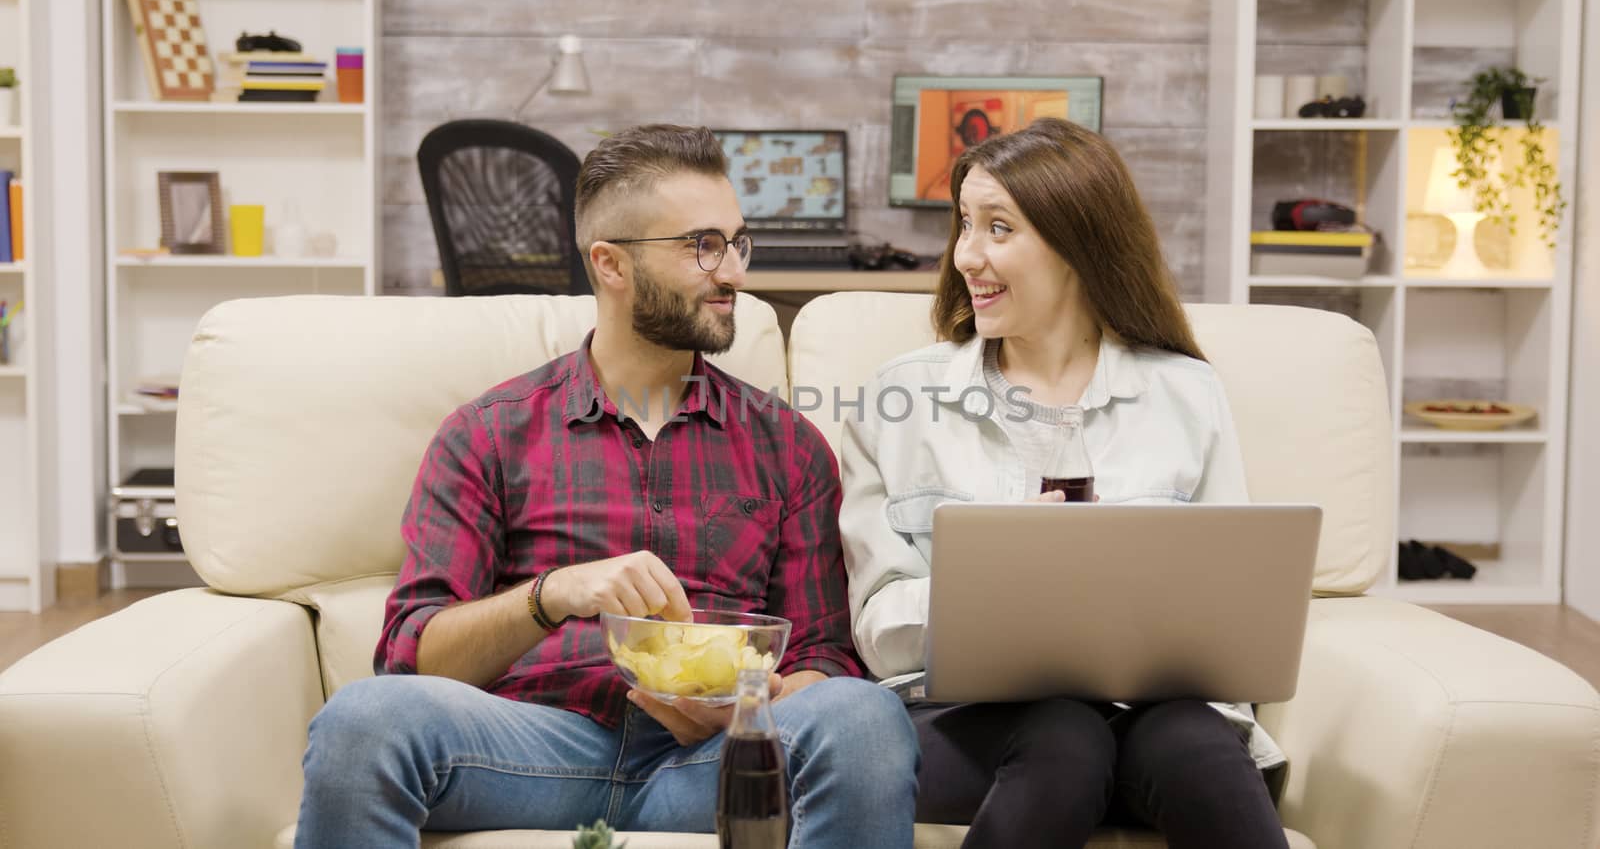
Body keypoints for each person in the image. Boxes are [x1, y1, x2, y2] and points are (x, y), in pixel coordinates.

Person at [296, 124, 919, 849]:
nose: (733, 274)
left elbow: (823, 657)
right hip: (532, 752)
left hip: (717, 762)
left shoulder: (788, 447)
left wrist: (757, 702)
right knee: (362, 720)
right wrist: (552, 594)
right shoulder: (490, 433)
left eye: (735, 243)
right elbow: (410, 656)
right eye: (701, 246)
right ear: (611, 264)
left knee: (866, 719)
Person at [839, 117, 1291, 849]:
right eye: (965, 225)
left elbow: (1226, 617)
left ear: (1079, 244)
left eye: (998, 229)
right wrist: (999, 574)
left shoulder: (1186, 393)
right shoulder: (900, 401)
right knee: (1065, 735)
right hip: (961, 716)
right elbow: (880, 631)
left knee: (1194, 746)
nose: (967, 256)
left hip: (1151, 712)